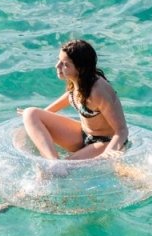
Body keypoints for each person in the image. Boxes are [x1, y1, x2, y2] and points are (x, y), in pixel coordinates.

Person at [20, 39, 128, 167]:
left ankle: (57, 168)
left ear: (80, 68)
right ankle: (53, 162)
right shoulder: (78, 80)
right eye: (58, 60)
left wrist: (110, 151)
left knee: (66, 167)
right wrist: (43, 114)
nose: (57, 66)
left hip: (104, 142)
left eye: (64, 64)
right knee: (30, 113)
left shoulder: (98, 92)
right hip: (83, 134)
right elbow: (71, 95)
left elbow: (121, 130)